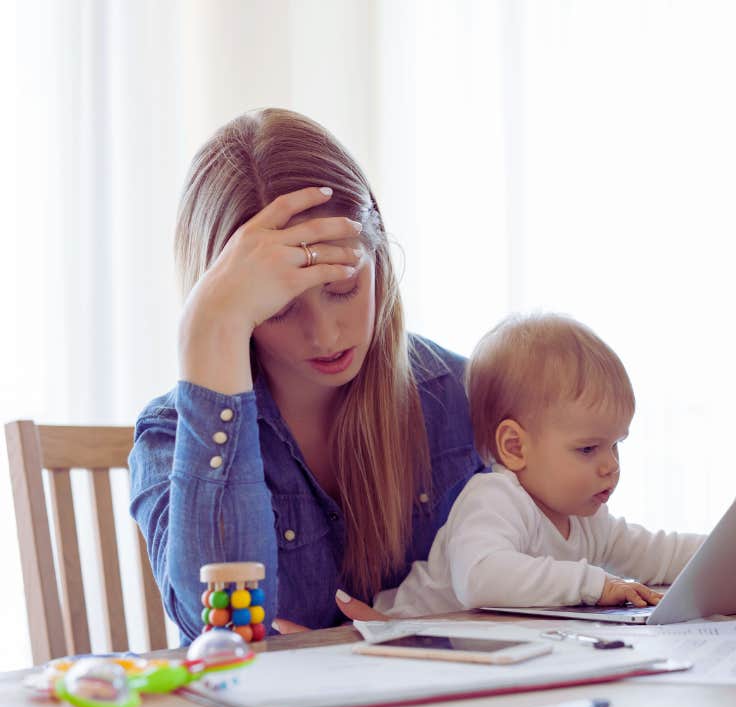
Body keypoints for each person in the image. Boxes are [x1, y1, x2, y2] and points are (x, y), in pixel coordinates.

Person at [129, 108, 484, 643]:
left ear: (379, 258)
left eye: (342, 288)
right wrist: (205, 333)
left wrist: (415, 637)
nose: (325, 335)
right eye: (278, 308)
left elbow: (550, 574)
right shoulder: (170, 436)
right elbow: (222, 632)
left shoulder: (458, 395)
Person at [365, 313, 707, 619]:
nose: (611, 467)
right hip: (400, 639)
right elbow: (480, 578)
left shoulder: (585, 517)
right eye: (588, 448)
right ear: (515, 447)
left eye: (616, 444)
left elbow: (655, 553)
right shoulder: (494, 498)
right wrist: (594, 584)